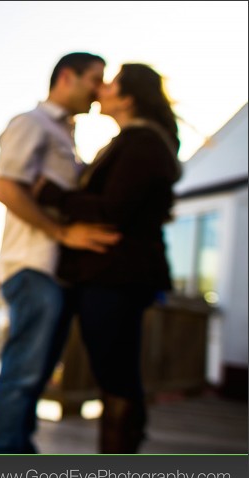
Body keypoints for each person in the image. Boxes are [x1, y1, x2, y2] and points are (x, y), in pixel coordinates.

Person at [35, 63, 182, 453]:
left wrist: (51, 194)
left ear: (128, 97)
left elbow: (113, 208)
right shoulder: (134, 141)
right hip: (111, 276)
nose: (102, 88)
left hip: (118, 276)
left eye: (111, 83)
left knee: (116, 376)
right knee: (113, 373)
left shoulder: (143, 143)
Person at [0, 52, 121, 454]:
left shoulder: (66, 135)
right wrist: (62, 231)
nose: (99, 90)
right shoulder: (32, 123)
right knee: (24, 370)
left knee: (36, 372)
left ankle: (17, 449)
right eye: (94, 79)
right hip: (32, 266)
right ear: (66, 77)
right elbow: (6, 188)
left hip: (54, 272)